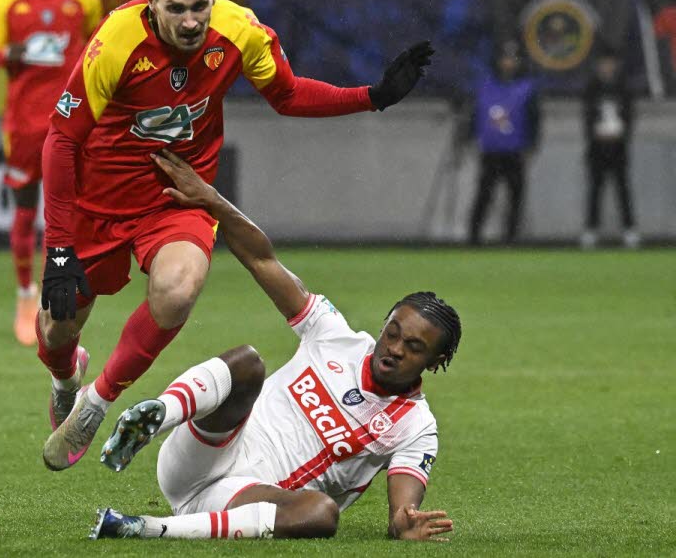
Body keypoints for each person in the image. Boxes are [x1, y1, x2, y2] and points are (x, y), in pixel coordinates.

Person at [36, 0, 434, 471]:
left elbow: (288, 95)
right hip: (99, 202)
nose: (191, 20)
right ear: (150, 1)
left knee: (177, 291)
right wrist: (58, 250)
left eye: (200, 5)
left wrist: (374, 96)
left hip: (178, 195)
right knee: (57, 329)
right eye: (176, 8)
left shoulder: (241, 30)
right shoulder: (116, 41)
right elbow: (61, 140)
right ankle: (65, 375)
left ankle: (96, 403)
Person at [90, 149, 460, 542]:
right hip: (202, 451)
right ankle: (155, 417)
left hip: (246, 500)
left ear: (434, 362)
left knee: (322, 512)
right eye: (393, 332)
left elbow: (402, 512)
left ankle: (147, 529)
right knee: (248, 363)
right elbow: (262, 259)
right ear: (384, 325)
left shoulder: (416, 427)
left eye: (414, 347)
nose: (396, 348)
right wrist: (212, 200)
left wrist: (405, 523)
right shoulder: (335, 336)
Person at [0, 0, 103, 346]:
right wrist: (7, 54)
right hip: (25, 125)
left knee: (65, 211)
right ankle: (25, 295)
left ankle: (54, 293)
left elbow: (99, 44)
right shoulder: (6, 4)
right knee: (27, 210)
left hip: (69, 121)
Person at [466, 40, 540, 245]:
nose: (508, 63)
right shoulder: (486, 86)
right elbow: (475, 114)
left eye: (512, 59)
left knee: (515, 196)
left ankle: (511, 237)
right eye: (505, 58)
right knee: (484, 194)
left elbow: (534, 118)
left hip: (514, 150)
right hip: (491, 150)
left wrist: (532, 143)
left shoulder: (526, 88)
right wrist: (470, 136)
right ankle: (474, 235)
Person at [580, 48, 639, 249]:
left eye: (610, 63)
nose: (607, 67)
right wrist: (594, 135)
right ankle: (591, 229)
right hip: (597, 147)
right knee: (595, 190)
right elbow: (587, 118)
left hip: (618, 147)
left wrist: (622, 133)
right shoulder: (592, 87)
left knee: (623, 189)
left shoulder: (623, 87)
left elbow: (630, 116)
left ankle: (629, 229)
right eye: (603, 63)